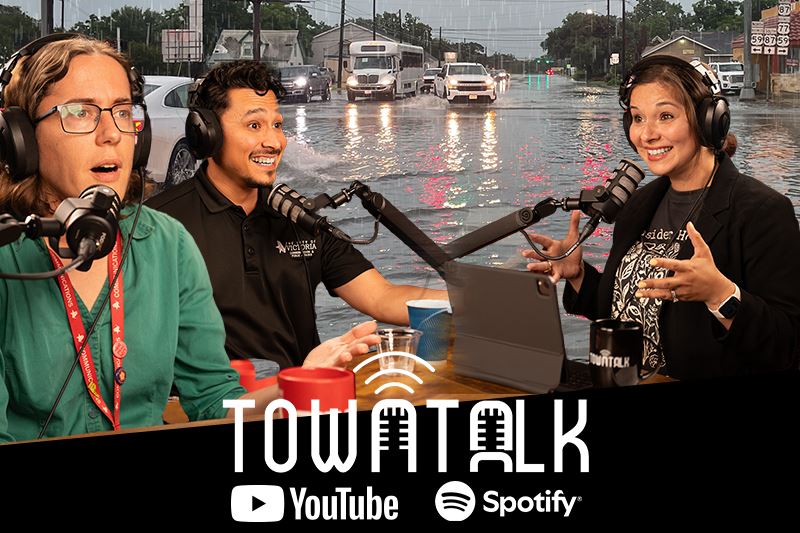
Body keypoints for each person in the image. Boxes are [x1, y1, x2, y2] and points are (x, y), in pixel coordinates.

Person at [0, 35, 378, 443]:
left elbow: (214, 400)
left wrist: (295, 386)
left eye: (123, 112)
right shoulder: (6, 256)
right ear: (19, 137)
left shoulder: (167, 243)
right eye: (80, 112)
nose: (112, 134)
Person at [147, 60, 446, 369]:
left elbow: (382, 297)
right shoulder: (158, 226)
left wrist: (478, 303)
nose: (275, 142)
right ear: (206, 132)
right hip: (209, 413)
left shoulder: (300, 218)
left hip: (301, 402)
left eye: (277, 125)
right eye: (254, 125)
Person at [522, 55, 800, 379]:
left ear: (708, 120)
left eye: (665, 116)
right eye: (638, 119)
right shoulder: (639, 204)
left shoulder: (763, 211)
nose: (647, 134)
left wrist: (721, 295)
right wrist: (578, 274)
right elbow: (626, 312)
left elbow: (789, 346)